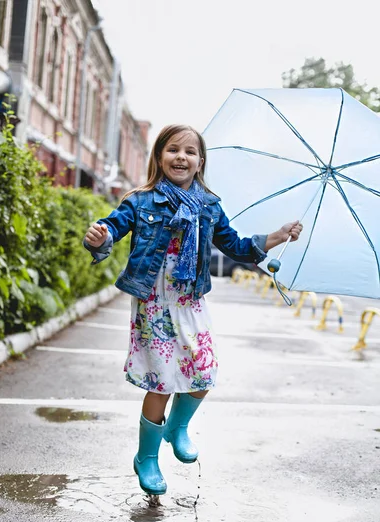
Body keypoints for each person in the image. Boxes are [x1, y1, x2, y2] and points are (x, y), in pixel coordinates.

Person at [83, 124, 303, 497]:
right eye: (172, 150)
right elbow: (113, 227)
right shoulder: (141, 200)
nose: (180, 157)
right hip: (152, 299)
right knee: (162, 380)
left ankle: (176, 428)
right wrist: (100, 237)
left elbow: (234, 245)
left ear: (201, 162)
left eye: (189, 152)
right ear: (159, 157)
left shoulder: (209, 206)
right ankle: (147, 457)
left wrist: (277, 237)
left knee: (204, 371)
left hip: (189, 298)